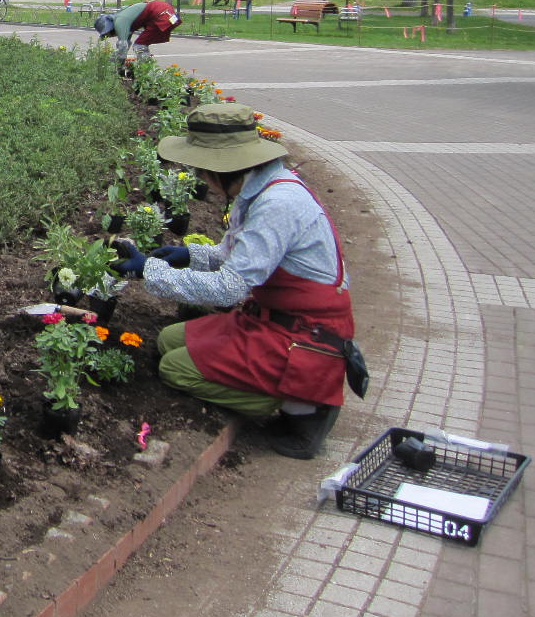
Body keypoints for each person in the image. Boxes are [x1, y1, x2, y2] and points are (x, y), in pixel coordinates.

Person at [107, 102, 363, 460]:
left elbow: (230, 287)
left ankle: (298, 402)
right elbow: (241, 252)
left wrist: (150, 271)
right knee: (167, 340)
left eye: (201, 170)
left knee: (174, 369)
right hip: (274, 319)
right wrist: (189, 255)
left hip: (303, 337)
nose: (200, 179)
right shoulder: (263, 186)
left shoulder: (278, 204)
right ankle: (283, 391)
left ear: (221, 168)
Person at [93, 0, 181, 63]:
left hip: (160, 14)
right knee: (142, 43)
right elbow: (126, 45)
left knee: (140, 46)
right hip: (167, 12)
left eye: (109, 34)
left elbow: (122, 47)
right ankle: (146, 69)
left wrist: (113, 65)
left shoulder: (120, 21)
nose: (112, 36)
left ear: (110, 28)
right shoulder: (125, 21)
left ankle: (146, 73)